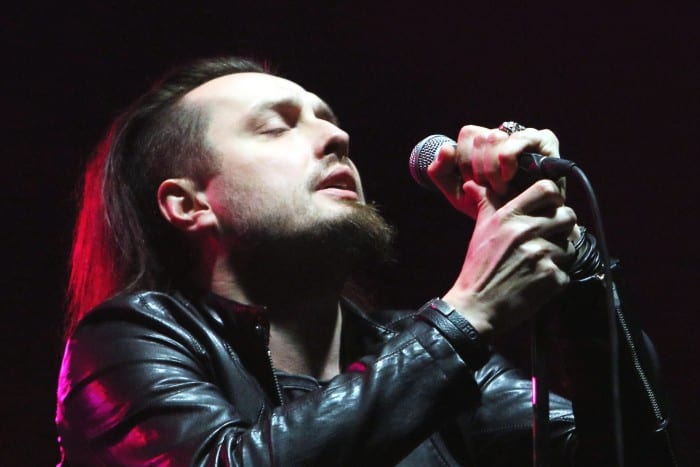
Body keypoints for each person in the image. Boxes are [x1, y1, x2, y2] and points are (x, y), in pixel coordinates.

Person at [56, 56, 678, 466]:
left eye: (327, 121)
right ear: (189, 204)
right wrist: (465, 317)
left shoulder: (408, 344)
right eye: (276, 127)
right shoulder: (126, 341)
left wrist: (567, 252)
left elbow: (624, 453)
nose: (337, 137)